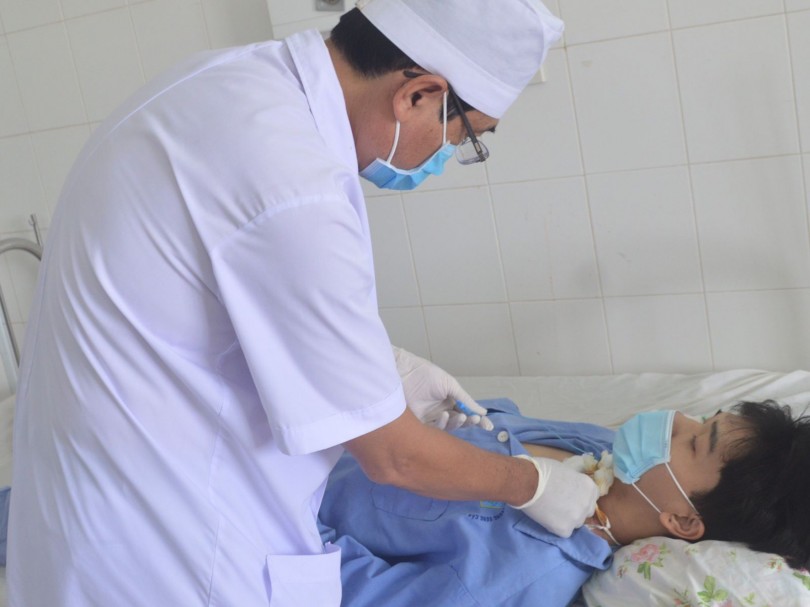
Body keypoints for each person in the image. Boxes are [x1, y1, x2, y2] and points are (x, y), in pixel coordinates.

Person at [6, 1, 598, 605]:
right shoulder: (294, 184)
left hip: (92, 513)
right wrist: (530, 483)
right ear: (418, 94)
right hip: (173, 555)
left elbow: (207, 291)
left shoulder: (220, 85)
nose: (446, 158)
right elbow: (395, 458)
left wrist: (378, 366)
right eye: (463, 135)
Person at [317, 398, 810, 606]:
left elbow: (333, 587)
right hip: (321, 438)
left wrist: (290, 499)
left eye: (695, 442)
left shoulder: (523, 575)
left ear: (682, 521)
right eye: (702, 419)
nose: (677, 419)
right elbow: (497, 421)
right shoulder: (596, 447)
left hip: (290, 501)